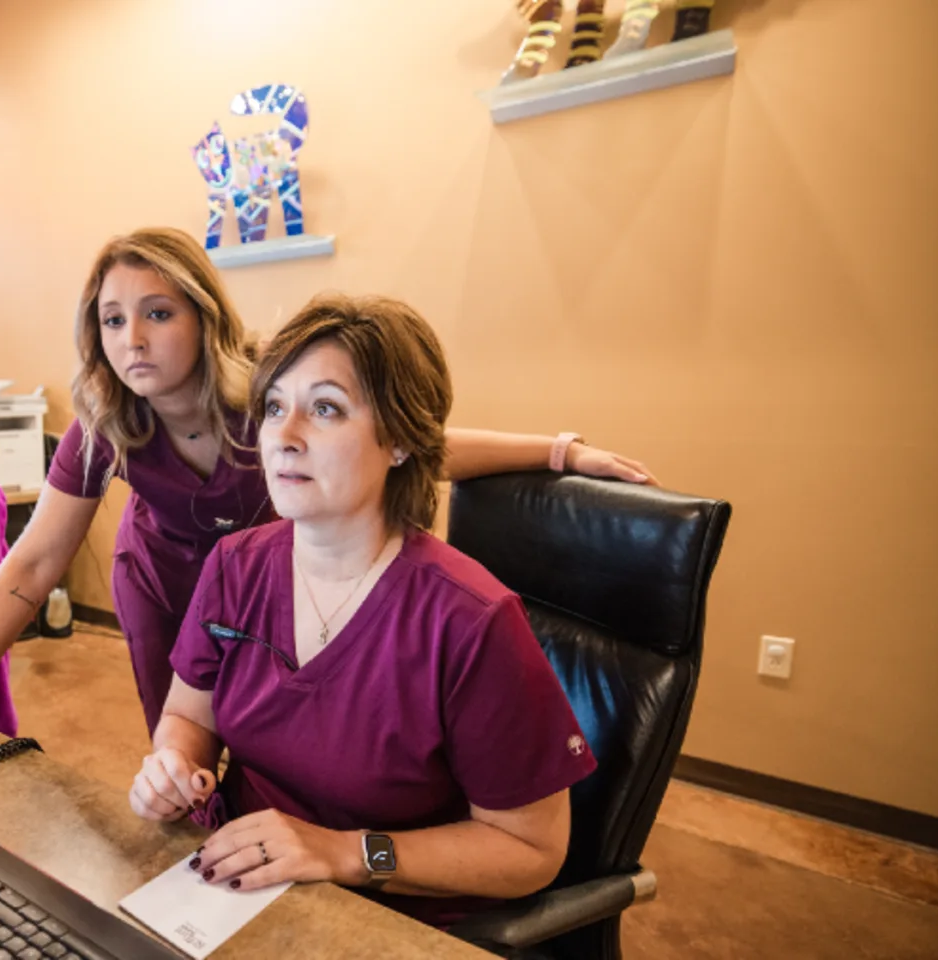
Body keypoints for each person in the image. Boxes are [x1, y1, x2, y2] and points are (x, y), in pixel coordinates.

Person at [0, 227, 653, 744]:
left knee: (287, 742)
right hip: (161, 585)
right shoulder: (106, 423)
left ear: (203, 316)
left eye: (158, 313)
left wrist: (557, 451)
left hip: (272, 583)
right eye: (113, 320)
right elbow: (32, 563)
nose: (133, 339)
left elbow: (412, 444)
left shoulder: (269, 391)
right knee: (180, 747)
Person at [129, 293, 595, 929]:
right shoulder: (234, 566)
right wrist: (175, 767)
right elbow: (188, 715)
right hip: (235, 887)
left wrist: (343, 853)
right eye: (274, 407)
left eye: (325, 409)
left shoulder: (471, 622)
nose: (284, 436)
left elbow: (530, 851)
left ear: (399, 439)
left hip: (387, 917)